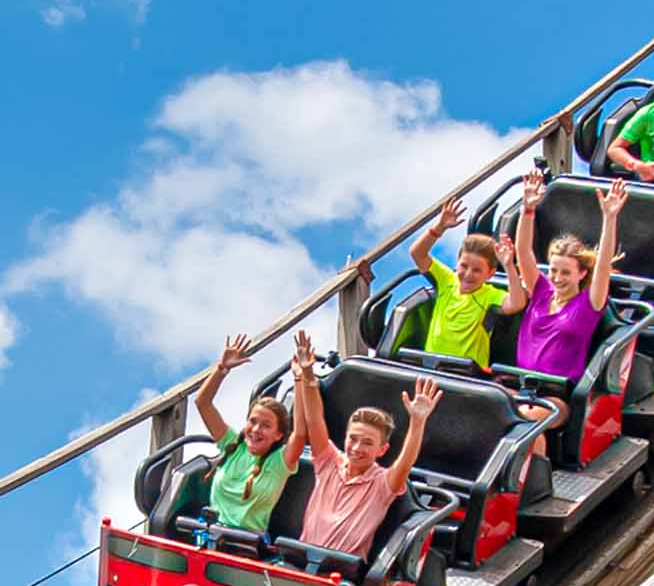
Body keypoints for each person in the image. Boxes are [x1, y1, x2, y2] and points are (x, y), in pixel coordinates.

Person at [496, 170, 624, 463]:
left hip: (556, 397)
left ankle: (525, 481)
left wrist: (610, 217)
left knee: (525, 419)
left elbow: (603, 266)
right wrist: (528, 209)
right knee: (485, 405)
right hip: (520, 385)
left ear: (580, 274)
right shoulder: (541, 291)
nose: (557, 277)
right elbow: (524, 254)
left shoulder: (587, 304)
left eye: (565, 272)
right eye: (553, 270)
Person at [288, 331, 441, 558]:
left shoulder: (382, 484)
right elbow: (314, 420)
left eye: (367, 443)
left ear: (382, 450)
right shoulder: (329, 462)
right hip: (300, 561)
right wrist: (308, 376)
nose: (357, 448)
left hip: (341, 575)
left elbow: (407, 460)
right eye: (353, 439)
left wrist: (418, 421)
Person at [192, 334, 305, 533]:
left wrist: (300, 377)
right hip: (212, 535)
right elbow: (202, 403)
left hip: (247, 545)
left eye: (265, 425)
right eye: (253, 422)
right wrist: (222, 368)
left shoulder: (280, 461)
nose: (255, 430)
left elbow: (301, 431)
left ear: (278, 435)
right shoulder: (232, 445)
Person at [406, 194, 528, 370]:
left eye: (477, 270)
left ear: (490, 273)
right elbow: (417, 253)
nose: (468, 274)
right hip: (433, 367)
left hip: (467, 373)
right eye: (464, 266)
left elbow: (516, 304)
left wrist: (509, 265)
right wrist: (438, 228)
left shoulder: (488, 294)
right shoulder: (447, 279)